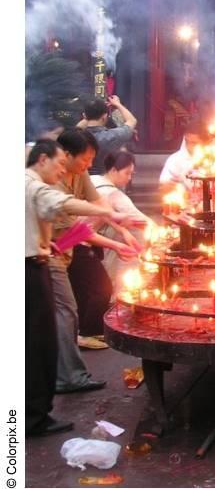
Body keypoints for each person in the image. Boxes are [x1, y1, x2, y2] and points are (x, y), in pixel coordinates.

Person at [26, 140, 126, 436]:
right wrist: (110, 215)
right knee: (38, 341)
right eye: (58, 164)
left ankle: (39, 409)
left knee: (41, 337)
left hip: (41, 258)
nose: (61, 172)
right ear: (42, 159)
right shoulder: (32, 185)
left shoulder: (34, 182)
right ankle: (34, 416)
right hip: (30, 267)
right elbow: (61, 204)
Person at [51, 128, 139, 391]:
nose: (90, 165)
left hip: (65, 250)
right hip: (49, 253)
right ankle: (66, 377)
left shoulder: (81, 176)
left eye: (92, 159)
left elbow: (102, 207)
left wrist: (123, 230)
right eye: (86, 159)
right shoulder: (49, 183)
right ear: (65, 155)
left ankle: (65, 372)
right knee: (65, 311)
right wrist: (116, 241)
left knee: (68, 309)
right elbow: (75, 230)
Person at [91, 151, 151, 294]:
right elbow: (139, 218)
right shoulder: (113, 193)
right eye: (127, 173)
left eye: (132, 174)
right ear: (113, 170)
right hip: (84, 242)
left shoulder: (92, 179)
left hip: (86, 240)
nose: (129, 178)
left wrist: (122, 230)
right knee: (101, 290)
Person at [78, 95, 138, 175]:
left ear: (84, 116)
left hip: (81, 181)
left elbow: (78, 127)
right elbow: (132, 121)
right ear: (105, 116)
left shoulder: (76, 137)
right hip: (104, 181)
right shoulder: (113, 135)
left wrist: (89, 115)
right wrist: (117, 104)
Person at [159, 119, 208, 196]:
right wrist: (174, 187)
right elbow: (164, 186)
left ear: (205, 143)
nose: (189, 146)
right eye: (187, 141)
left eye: (194, 143)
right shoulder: (174, 160)